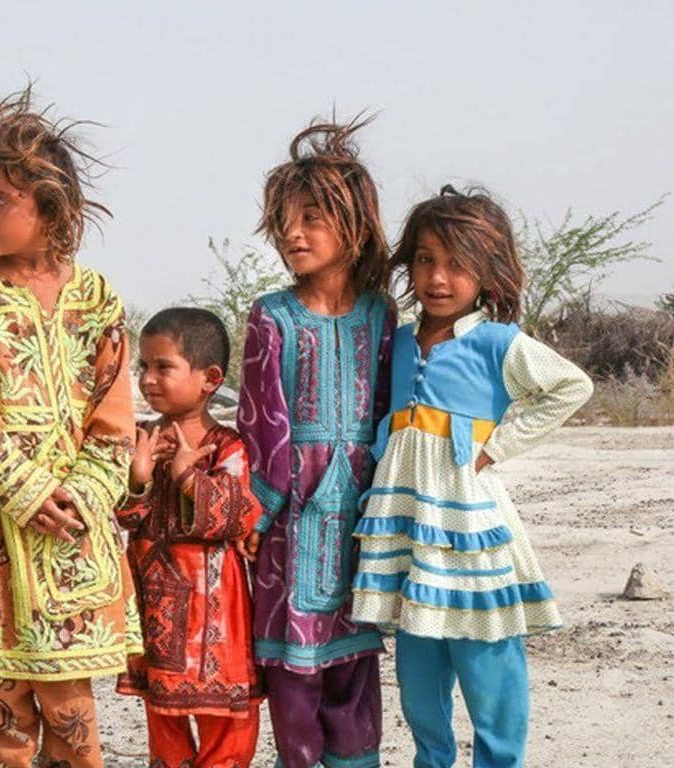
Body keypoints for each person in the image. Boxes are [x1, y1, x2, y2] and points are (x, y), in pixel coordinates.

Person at [0, 87, 141, 767]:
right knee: (5, 708)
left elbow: (113, 418)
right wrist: (24, 492)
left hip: (75, 530)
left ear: (51, 209)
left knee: (70, 706)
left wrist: (81, 493)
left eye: (0, 200)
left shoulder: (98, 298)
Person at [352, 186, 593, 768]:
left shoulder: (497, 342)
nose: (438, 276)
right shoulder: (400, 340)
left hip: (467, 520)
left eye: (458, 264)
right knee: (417, 665)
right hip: (409, 522)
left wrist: (498, 447)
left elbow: (572, 386)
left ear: (487, 272)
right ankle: (430, 760)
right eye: (427, 259)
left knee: (487, 657)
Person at [237, 117, 395, 768]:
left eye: (309, 218)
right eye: (282, 221)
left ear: (353, 227)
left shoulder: (381, 315)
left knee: (353, 668)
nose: (291, 234)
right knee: (294, 676)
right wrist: (256, 507)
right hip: (288, 519)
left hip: (363, 513)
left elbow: (391, 414)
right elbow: (261, 420)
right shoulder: (270, 315)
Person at [116, 307, 263, 768]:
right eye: (143, 366)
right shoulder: (140, 439)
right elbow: (126, 516)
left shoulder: (227, 444)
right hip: (155, 605)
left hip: (214, 608)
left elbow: (238, 517)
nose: (149, 378)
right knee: (163, 713)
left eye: (164, 366)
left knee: (228, 723)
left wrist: (187, 479)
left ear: (210, 378)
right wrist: (139, 478)